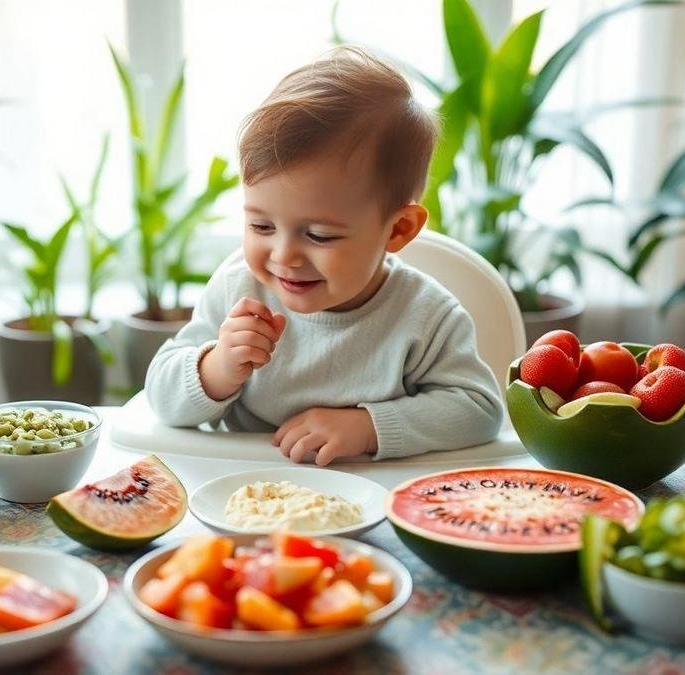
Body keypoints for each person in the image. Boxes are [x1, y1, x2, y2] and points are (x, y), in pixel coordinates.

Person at [145, 46, 503, 466]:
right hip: (242, 494)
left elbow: (479, 410)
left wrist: (368, 427)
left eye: (318, 235)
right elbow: (160, 394)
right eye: (261, 226)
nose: (284, 255)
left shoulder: (425, 315)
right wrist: (218, 368)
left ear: (399, 229)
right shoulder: (238, 287)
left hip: (370, 499)